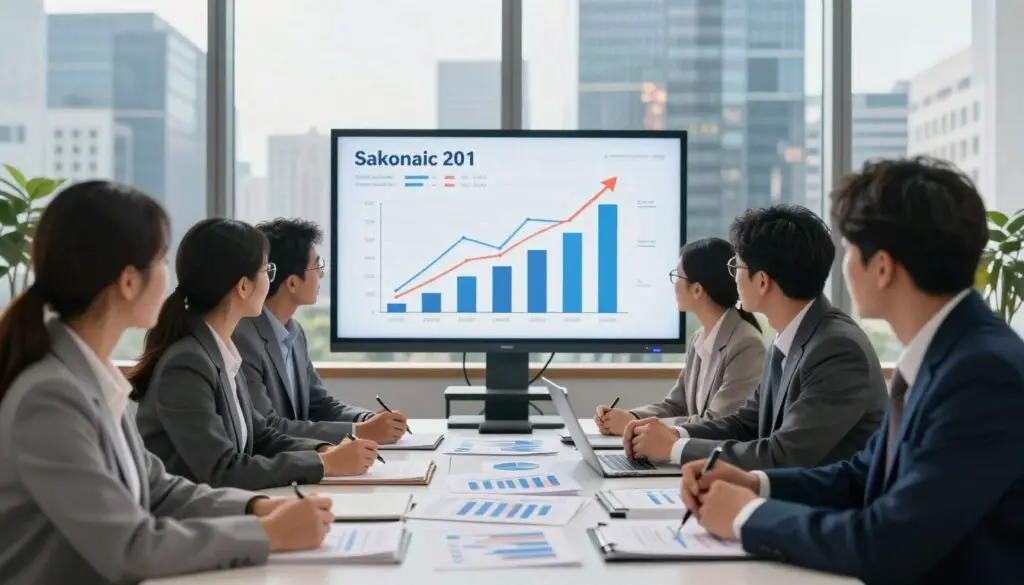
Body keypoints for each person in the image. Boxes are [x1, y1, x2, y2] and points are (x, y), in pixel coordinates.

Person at [681, 158, 1024, 584]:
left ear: (882, 267)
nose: (840, 268)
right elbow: (863, 475)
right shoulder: (948, 351)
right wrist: (756, 485)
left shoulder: (981, 372)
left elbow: (888, 543)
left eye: (849, 251)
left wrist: (748, 516)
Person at [0, 182, 333, 585]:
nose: (169, 275)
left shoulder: (89, 376)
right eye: (160, 260)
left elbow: (156, 488)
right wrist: (268, 534)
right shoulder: (49, 397)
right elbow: (130, 548)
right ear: (128, 281)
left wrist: (257, 508)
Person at [624, 204, 887, 469]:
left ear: (762, 281)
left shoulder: (836, 349)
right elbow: (745, 423)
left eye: (736, 265)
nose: (733, 276)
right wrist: (674, 434)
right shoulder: (789, 338)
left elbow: (783, 455)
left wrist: (673, 449)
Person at [132, 218, 379, 491]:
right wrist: (324, 464)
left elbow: (261, 436)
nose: (271, 281)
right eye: (266, 271)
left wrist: (323, 450)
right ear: (243, 287)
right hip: (194, 513)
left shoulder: (221, 350)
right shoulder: (187, 364)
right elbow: (223, 470)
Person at [233, 218, 407, 444]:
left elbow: (319, 404)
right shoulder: (243, 339)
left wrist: (366, 419)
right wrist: (360, 431)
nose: (322, 275)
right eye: (317, 267)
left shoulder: (294, 332)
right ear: (292, 283)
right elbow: (268, 427)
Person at [594, 237, 766, 435]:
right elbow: (676, 406)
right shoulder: (699, 338)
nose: (674, 284)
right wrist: (630, 416)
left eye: (677, 276)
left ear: (697, 290)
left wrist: (635, 425)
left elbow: (717, 422)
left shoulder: (746, 344)